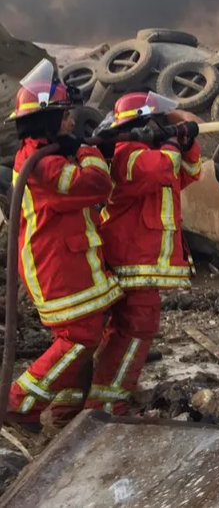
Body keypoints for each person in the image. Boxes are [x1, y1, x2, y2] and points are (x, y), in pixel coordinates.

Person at [6, 59, 123, 426]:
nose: (72, 122)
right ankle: (18, 403)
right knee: (79, 338)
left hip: (70, 261)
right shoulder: (42, 165)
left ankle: (66, 408)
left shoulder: (47, 154)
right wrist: (88, 151)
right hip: (55, 266)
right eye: (66, 116)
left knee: (84, 333)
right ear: (49, 120)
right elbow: (96, 185)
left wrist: (77, 149)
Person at [86, 92, 202, 414]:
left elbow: (190, 172)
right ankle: (108, 404)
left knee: (127, 329)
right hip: (133, 261)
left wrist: (187, 141)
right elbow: (161, 168)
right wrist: (173, 141)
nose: (161, 127)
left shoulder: (153, 153)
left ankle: (105, 395)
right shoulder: (127, 154)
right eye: (156, 122)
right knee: (136, 329)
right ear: (143, 124)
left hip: (142, 262)